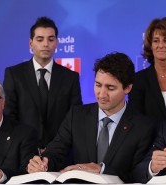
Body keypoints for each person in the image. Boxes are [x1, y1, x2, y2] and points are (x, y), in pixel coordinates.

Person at [27, 52, 157, 183]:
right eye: (98, 85)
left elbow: (138, 173)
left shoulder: (144, 127)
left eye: (110, 88)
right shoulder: (76, 115)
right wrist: (44, 162)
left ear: (128, 88)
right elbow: (56, 151)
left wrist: (102, 169)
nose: (101, 94)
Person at [3, 16, 83, 148]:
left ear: (56, 42)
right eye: (40, 39)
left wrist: (56, 148)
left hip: (60, 152)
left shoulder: (70, 77)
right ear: (31, 43)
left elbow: (75, 118)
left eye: (50, 39)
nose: (46, 44)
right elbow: (9, 116)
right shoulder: (14, 74)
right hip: (23, 151)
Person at [128, 17, 166, 123]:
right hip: (150, 138)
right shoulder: (138, 80)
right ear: (151, 45)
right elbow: (135, 119)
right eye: (156, 41)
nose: (160, 45)